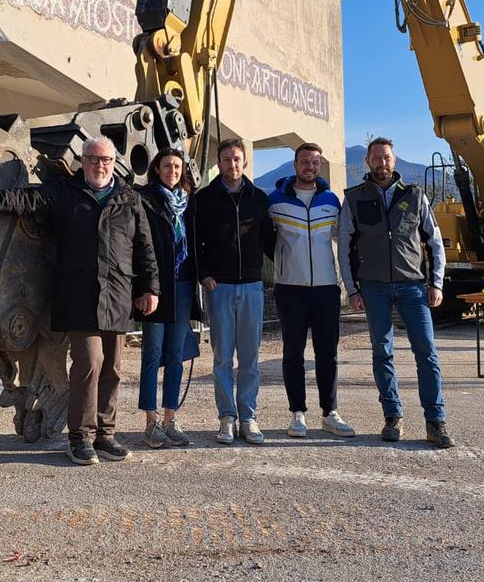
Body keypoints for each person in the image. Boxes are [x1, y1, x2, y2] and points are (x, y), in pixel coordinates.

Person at [0, 136, 159, 465]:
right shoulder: (66, 192)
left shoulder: (128, 198)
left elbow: (145, 248)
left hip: (117, 294)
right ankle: (80, 437)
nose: (99, 165)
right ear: (83, 161)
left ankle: (105, 435)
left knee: (112, 368)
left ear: (113, 163)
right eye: (92, 159)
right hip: (78, 294)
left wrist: (150, 288)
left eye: (105, 160)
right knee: (89, 363)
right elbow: (25, 199)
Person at [337, 136, 456, 449]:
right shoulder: (354, 198)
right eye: (376, 157)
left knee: (427, 353)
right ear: (368, 161)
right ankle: (392, 417)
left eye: (386, 157)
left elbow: (434, 242)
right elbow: (344, 247)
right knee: (382, 352)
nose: (382, 162)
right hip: (373, 288)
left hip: (412, 287)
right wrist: (352, 289)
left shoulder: (415, 195)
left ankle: (435, 421)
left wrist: (436, 283)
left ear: (394, 159)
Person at [267, 142, 355, 439]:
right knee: (293, 353)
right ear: (295, 165)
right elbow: (265, 240)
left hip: (326, 289)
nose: (310, 167)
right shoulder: (275, 201)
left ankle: (330, 413)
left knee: (327, 353)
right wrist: (282, 264)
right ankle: (297, 414)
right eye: (305, 162)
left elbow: (343, 240)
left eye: (315, 162)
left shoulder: (331, 200)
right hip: (290, 289)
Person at [192, 138, 275, 446]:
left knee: (250, 358)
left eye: (237, 159)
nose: (232, 164)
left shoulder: (259, 198)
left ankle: (248, 417)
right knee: (223, 358)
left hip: (252, 286)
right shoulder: (204, 199)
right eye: (226, 159)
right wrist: (203, 274)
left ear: (245, 162)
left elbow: (270, 241)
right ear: (219, 163)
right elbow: (195, 241)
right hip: (220, 288)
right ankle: (227, 416)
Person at [136, 147, 204, 449]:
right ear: (157, 169)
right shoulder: (145, 200)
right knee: (152, 353)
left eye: (177, 166)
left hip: (184, 285)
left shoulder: (189, 203)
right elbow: (140, 245)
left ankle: (170, 418)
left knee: (176, 354)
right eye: (167, 166)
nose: (172, 171)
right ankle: (150, 422)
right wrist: (143, 288)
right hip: (156, 287)